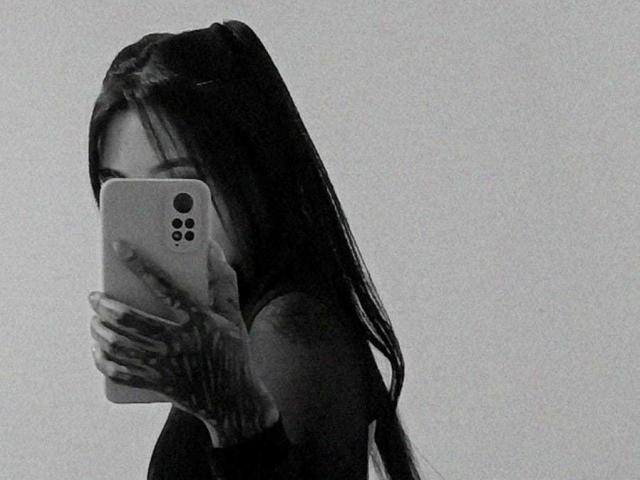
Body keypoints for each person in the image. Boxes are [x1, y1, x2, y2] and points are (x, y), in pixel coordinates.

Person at [87, 20, 422, 480]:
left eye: (182, 187)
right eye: (121, 191)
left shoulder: (290, 329)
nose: (159, 225)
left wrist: (233, 413)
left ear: (256, 170)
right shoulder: (250, 324)